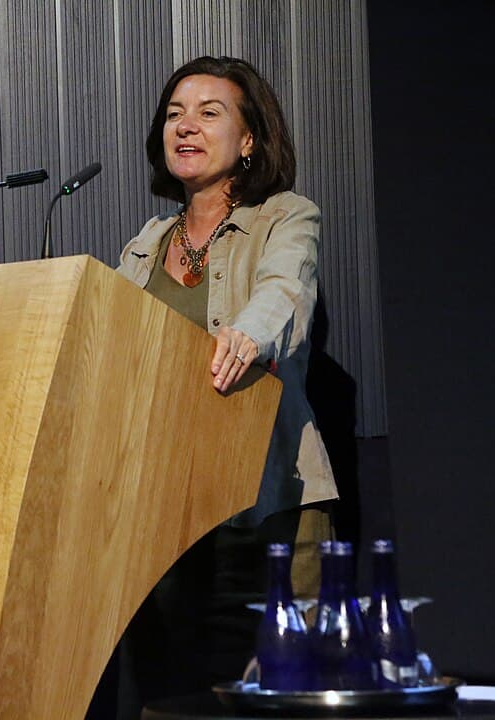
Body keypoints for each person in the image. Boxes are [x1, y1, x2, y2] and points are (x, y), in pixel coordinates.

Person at [97, 55, 339, 717]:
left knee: (282, 697)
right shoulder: (142, 248)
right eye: (175, 114)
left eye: (209, 113)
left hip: (268, 506)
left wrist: (247, 337)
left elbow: (284, 297)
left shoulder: (285, 218)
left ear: (249, 138)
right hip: (166, 520)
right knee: (172, 699)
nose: (185, 126)